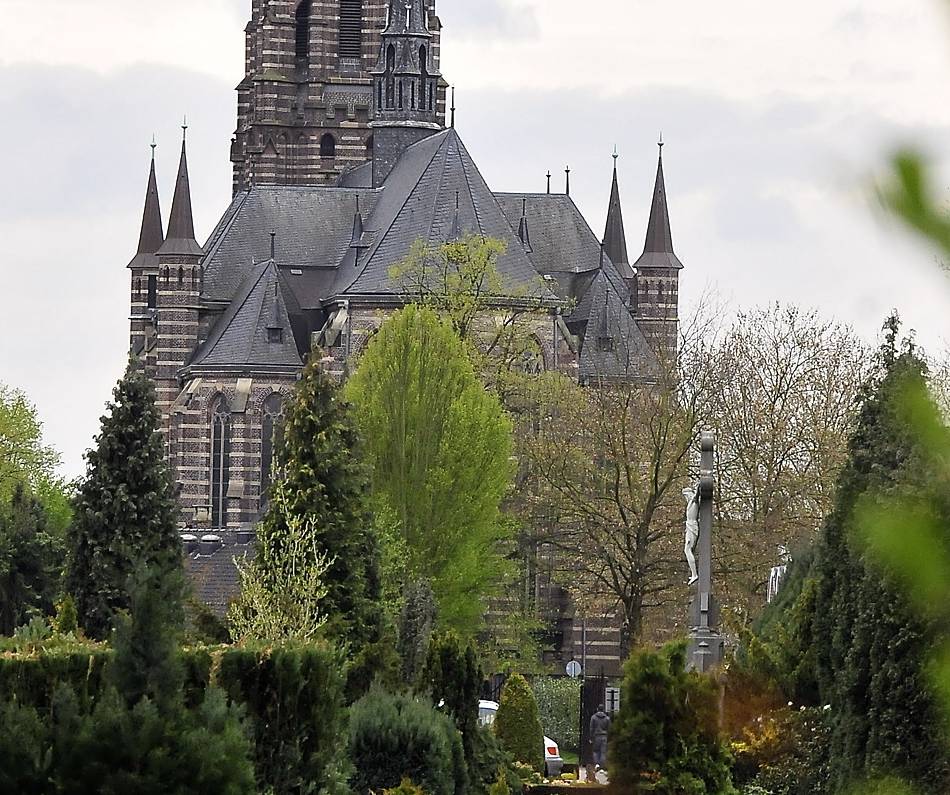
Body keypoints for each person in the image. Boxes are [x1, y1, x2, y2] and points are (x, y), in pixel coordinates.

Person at [589, 704, 611, 772]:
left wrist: (591, 737)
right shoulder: (607, 718)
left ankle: (597, 764)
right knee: (603, 752)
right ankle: (602, 767)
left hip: (596, 736)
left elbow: (591, 728)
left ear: (597, 709)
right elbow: (609, 728)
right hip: (604, 736)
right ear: (603, 710)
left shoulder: (593, 717)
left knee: (596, 751)